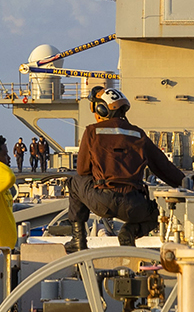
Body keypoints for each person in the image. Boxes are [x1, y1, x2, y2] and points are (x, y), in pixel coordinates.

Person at [66, 86, 185, 251]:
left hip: (102, 201)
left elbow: (82, 170)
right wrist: (188, 183)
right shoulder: (139, 134)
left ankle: (78, 240)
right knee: (156, 213)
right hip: (134, 205)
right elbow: (164, 168)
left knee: (74, 182)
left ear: (102, 109)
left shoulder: (92, 131)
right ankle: (129, 232)